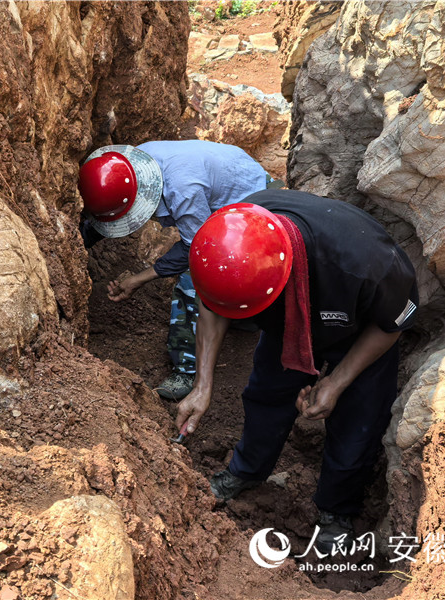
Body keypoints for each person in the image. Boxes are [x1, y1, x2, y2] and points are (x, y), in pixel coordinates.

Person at [175, 189, 418, 552]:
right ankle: (246, 472)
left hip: (360, 331)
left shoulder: (367, 265)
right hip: (287, 324)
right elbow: (215, 305)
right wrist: (202, 383)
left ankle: (336, 511)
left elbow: (392, 324)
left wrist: (335, 382)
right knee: (266, 395)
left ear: (280, 276)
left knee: (357, 422)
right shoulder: (226, 238)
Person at [79, 140, 276, 400]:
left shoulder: (183, 190)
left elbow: (194, 249)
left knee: (197, 278)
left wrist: (139, 279)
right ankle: (238, 313)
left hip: (257, 207)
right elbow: (107, 207)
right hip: (238, 181)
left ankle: (186, 369)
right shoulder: (132, 164)